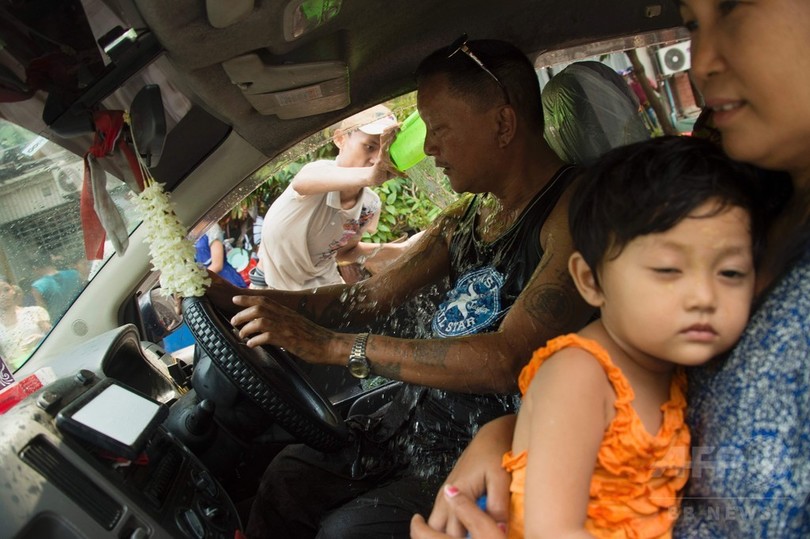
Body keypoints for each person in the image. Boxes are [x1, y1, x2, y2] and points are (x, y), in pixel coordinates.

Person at [411, 1, 810, 537]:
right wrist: (523, 432)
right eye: (692, 24)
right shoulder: (765, 219)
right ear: (592, 280)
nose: (701, 59)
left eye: (735, 8)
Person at [206, 37, 593, 538]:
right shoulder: (470, 215)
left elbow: (507, 359)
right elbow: (366, 298)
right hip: (410, 423)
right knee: (286, 479)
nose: (428, 147)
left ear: (502, 122)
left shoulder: (574, 211)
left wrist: (333, 347)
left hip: (489, 454)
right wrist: (241, 298)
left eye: (440, 129)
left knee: (348, 532)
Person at [509, 135, 762, 538]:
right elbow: (552, 531)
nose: (704, 297)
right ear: (591, 281)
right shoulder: (581, 375)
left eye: (730, 272)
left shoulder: (674, 365)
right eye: (667, 270)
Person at [253, 104, 409, 290]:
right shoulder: (317, 172)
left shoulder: (370, 205)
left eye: (385, 150)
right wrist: (371, 176)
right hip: (274, 289)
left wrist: (402, 249)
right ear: (340, 138)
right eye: (369, 146)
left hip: (324, 289)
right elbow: (302, 182)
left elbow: (345, 252)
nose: (377, 159)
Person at [0, 277, 52, 370]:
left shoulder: (35, 312)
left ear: (13, 290)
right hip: (19, 374)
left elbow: (55, 337)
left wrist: (41, 340)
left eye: (6, 290)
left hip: (45, 365)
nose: (3, 295)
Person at [194, 222, 247, 287]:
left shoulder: (211, 228)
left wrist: (198, 282)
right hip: (209, 284)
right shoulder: (188, 233)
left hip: (225, 279)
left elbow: (217, 265)